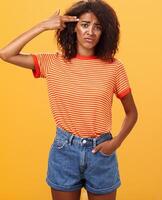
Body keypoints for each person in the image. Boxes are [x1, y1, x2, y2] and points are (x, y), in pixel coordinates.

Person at [0, 0, 138, 199]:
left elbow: (132, 113)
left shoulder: (114, 68)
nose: (90, 31)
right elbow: (5, 53)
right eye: (84, 24)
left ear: (104, 33)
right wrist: (43, 26)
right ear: (73, 28)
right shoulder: (53, 63)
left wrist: (115, 143)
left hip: (101, 153)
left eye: (97, 27)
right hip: (64, 151)